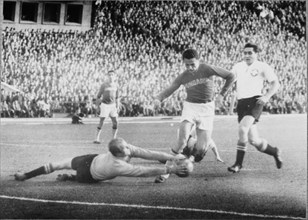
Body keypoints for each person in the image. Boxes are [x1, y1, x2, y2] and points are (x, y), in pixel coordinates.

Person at [153, 48, 235, 183]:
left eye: (192, 64)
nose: (190, 67)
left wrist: (222, 95)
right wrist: (159, 98)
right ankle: (166, 171)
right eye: (187, 65)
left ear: (198, 60)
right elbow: (171, 88)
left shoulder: (207, 68)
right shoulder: (183, 76)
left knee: (201, 149)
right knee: (182, 139)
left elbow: (231, 76)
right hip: (190, 107)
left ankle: (187, 158)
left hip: (207, 108)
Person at [14, 138, 188, 183]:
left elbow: (149, 154)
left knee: (58, 164)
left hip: (91, 158)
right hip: (88, 173)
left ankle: (26, 175)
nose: (130, 147)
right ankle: (26, 176)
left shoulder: (123, 148)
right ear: (121, 153)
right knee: (56, 165)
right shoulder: (117, 165)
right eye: (127, 148)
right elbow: (142, 171)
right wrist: (169, 170)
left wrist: (173, 157)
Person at [227, 43, 283, 173]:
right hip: (242, 103)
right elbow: (229, 81)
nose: (247, 55)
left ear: (256, 54)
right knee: (254, 140)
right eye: (245, 53)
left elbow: (275, 83)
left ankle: (238, 164)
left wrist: (266, 96)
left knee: (242, 128)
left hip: (255, 101)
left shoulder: (262, 66)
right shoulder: (238, 66)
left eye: (250, 53)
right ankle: (274, 151)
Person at [94, 70, 120, 144]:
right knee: (102, 121)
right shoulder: (104, 85)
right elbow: (98, 96)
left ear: (115, 76)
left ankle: (114, 139)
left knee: (115, 122)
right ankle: (97, 138)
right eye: (109, 75)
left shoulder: (116, 85)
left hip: (113, 105)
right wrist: (98, 106)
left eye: (112, 75)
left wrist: (117, 106)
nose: (111, 76)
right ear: (107, 76)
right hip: (105, 105)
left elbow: (117, 97)